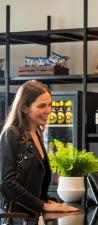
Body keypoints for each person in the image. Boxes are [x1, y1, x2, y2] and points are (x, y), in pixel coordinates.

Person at [0, 80, 78, 221]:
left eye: (49, 105)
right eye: (41, 106)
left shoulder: (36, 133)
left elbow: (32, 183)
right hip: (15, 217)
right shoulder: (11, 134)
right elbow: (6, 182)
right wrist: (43, 205)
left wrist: (48, 201)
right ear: (24, 107)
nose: (48, 110)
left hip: (31, 216)